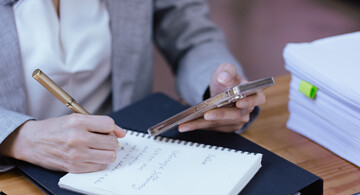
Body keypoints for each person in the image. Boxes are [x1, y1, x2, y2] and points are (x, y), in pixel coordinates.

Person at [0, 0, 265, 173]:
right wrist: (19, 138)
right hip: (15, 174)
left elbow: (190, 32)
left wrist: (216, 89)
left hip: (127, 153)